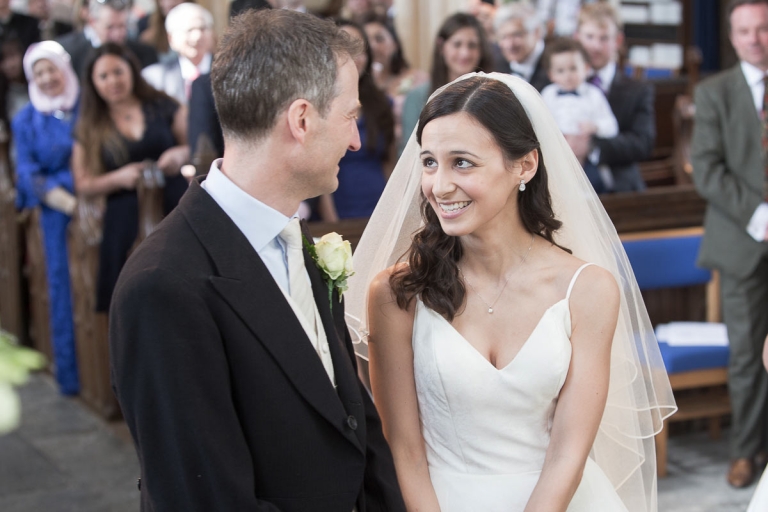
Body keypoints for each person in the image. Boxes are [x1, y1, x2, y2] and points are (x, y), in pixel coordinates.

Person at [109, 9, 405, 511]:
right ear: (302, 119)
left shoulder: (296, 241)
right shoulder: (164, 287)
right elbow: (202, 499)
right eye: (349, 116)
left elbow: (353, 424)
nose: (357, 140)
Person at [346, 73, 676, 511]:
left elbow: (568, 452)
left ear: (525, 165)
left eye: (462, 162)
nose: (439, 186)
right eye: (429, 162)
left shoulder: (587, 289)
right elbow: (403, 448)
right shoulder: (395, 294)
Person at [691, 0, 768, 489]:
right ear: (733, 36)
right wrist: (761, 215)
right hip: (742, 241)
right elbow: (706, 168)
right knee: (745, 354)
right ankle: (747, 451)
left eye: (763, 29)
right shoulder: (714, 91)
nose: (755, 38)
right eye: (745, 31)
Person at [71, 43, 188, 313]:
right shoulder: (90, 124)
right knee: (131, 298)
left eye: (118, 72)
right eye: (103, 76)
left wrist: (178, 155)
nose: (113, 81)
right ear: (93, 82)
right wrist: (117, 178)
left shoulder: (163, 106)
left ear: (132, 71)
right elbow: (83, 183)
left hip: (173, 201)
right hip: (124, 213)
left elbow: (194, 146)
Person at [12, 41, 79, 395]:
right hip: (56, 210)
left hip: (95, 199)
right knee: (63, 286)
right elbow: (27, 171)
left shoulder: (84, 103)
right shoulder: (26, 119)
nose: (47, 77)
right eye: (38, 72)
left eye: (51, 68)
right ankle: (72, 376)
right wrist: (66, 200)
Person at [574, 3, 654, 193]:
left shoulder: (638, 90)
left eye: (604, 38)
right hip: (570, 185)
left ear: (618, 41)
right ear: (577, 38)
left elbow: (643, 143)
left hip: (619, 186)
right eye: (589, 37)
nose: (595, 46)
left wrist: (593, 146)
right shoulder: (559, 84)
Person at [323, 18, 394, 220]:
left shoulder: (381, 102)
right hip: (339, 210)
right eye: (345, 49)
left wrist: (391, 213)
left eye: (360, 50)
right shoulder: (322, 104)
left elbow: (388, 163)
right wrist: (332, 223)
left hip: (378, 208)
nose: (355, 57)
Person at [400, 12, 494, 155]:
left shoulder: (494, 95)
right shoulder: (417, 97)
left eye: (472, 45)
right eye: (457, 44)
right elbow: (408, 153)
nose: (465, 53)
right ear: (441, 46)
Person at [540, 37, 618, 194]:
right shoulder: (548, 94)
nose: (568, 75)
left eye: (573, 68)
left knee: (595, 186)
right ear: (551, 74)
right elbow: (539, 122)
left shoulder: (594, 95)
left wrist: (595, 127)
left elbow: (611, 126)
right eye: (561, 71)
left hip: (588, 157)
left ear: (587, 68)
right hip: (557, 156)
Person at [362, 14, 427, 146]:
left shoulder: (418, 79)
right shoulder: (361, 84)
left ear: (395, 43)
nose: (373, 46)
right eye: (366, 41)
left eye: (379, 39)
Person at [57, 0, 158, 78]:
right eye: (110, 27)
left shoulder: (145, 54)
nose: (117, 34)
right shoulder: (69, 53)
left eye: (122, 26)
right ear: (93, 23)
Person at [141, 3, 214, 105]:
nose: (197, 36)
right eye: (189, 30)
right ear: (171, 38)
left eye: (202, 28)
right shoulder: (155, 79)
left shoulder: (228, 70)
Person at [494, 2, 549, 91]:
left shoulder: (555, 63)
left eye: (516, 35)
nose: (509, 45)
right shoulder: (495, 65)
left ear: (536, 32)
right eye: (503, 37)